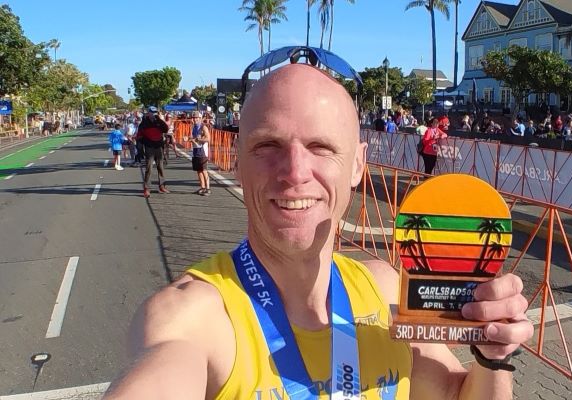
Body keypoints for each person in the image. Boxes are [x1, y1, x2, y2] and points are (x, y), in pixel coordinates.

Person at [104, 62, 532, 400]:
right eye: (268, 146)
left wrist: (492, 357)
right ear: (236, 159)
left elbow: (456, 394)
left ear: (358, 165)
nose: (294, 172)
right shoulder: (191, 317)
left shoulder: (384, 289)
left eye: (321, 147)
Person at [136, 107, 170, 198]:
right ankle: (147, 189)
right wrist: (140, 149)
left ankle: (162, 186)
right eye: (152, 112)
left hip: (158, 146)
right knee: (149, 168)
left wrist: (160, 119)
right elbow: (139, 136)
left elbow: (166, 129)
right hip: (149, 147)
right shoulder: (144, 123)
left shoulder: (158, 121)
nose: (154, 114)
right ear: (148, 113)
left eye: (155, 112)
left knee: (160, 167)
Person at [190, 112, 211, 195]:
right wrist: (188, 139)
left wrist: (199, 139)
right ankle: (202, 187)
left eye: (197, 118)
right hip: (195, 151)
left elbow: (208, 139)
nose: (195, 119)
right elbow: (193, 138)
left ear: (200, 118)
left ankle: (208, 188)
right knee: (198, 171)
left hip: (203, 151)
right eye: (194, 118)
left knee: (204, 170)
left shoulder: (203, 127)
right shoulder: (193, 127)